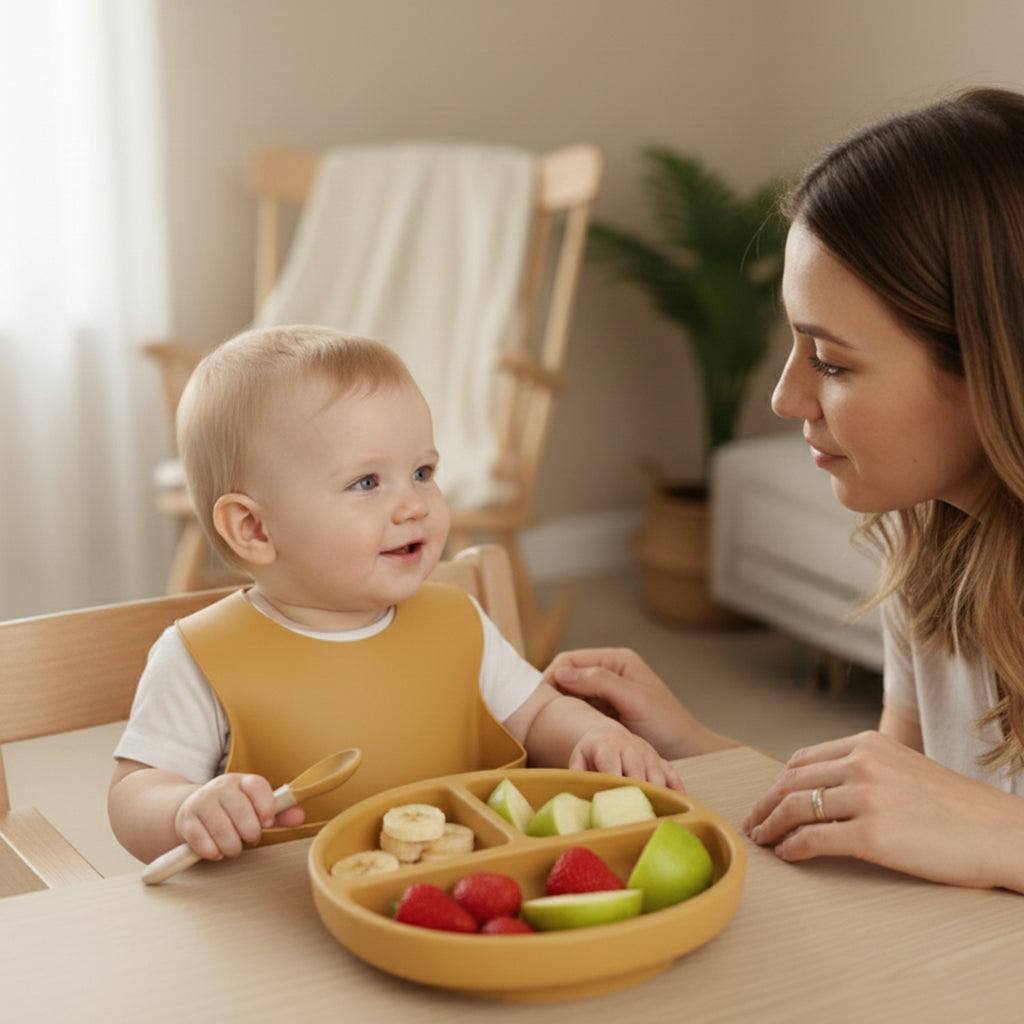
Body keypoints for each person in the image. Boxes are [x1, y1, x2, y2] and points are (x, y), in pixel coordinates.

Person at [543, 87, 1024, 895]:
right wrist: (693, 745)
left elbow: (971, 828)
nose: (785, 398)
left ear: (993, 367)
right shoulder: (937, 554)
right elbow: (901, 808)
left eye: (831, 363)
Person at [109, 325, 682, 866]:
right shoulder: (201, 657)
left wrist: (598, 735)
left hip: (467, 897)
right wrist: (185, 810)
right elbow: (135, 792)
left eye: (423, 472)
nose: (414, 505)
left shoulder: (457, 620)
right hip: (287, 929)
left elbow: (539, 717)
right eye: (367, 482)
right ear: (255, 530)